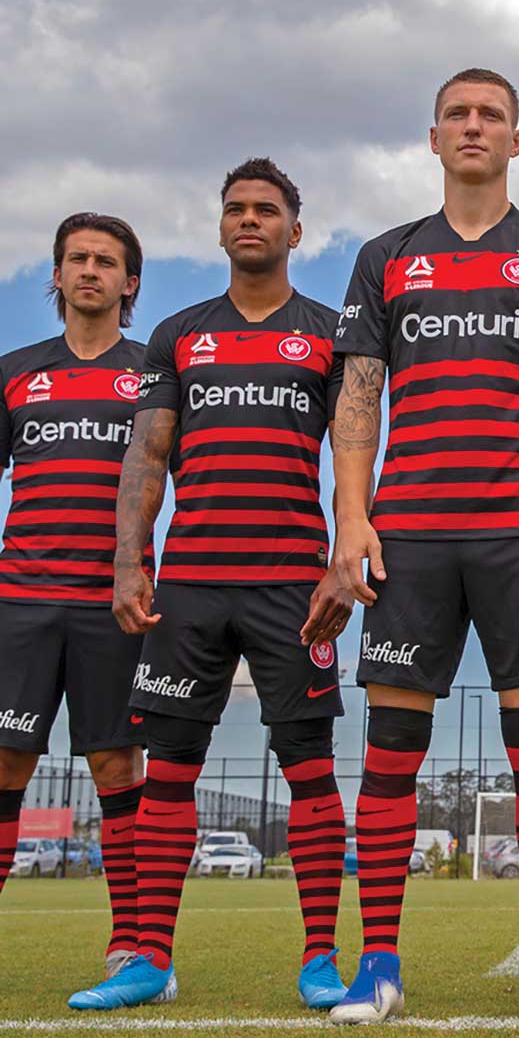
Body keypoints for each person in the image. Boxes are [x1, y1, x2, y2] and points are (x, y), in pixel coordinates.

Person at [326, 68, 519, 1026]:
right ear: (434, 137)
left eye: (491, 115)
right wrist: (351, 518)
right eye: (458, 114)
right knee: (391, 751)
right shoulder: (388, 256)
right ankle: (378, 965)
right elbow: (358, 395)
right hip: (409, 533)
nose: (474, 126)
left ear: (516, 140)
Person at [74, 158, 353, 1011]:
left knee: (310, 768)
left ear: (295, 231)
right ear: (220, 225)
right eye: (235, 208)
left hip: (292, 588)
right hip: (190, 588)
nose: (249, 220)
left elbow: (354, 453)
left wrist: (344, 559)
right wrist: (130, 560)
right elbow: (147, 453)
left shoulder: (328, 333)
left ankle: (319, 957)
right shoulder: (180, 333)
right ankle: (149, 960)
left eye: (265, 209)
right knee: (168, 772)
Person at [0, 213, 160, 1005]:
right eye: (77, 258)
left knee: (116, 766)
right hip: (21, 602)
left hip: (115, 605)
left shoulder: (152, 372)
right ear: (57, 275)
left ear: (129, 282)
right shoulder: (16, 373)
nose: (89, 269)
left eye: (105, 260)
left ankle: (129, 943)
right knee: (6, 764)